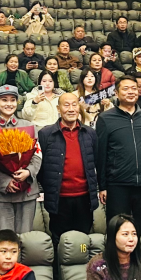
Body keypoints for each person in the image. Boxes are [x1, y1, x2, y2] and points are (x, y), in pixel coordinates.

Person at [95, 76, 141, 234]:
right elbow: (101, 155)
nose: (131, 92)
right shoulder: (105, 119)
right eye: (126, 88)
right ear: (116, 93)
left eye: (134, 88)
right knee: (117, 230)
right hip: (118, 184)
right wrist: (102, 186)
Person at [39, 92, 98, 245]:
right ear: (58, 109)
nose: (71, 109)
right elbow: (40, 167)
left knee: (83, 240)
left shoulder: (90, 133)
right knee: (60, 241)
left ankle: (82, 261)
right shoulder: (45, 134)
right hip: (59, 198)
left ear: (79, 107)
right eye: (66, 105)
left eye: (74, 104)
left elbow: (96, 162)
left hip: (84, 197)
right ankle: (59, 262)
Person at [0, 85, 42, 233]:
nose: (9, 104)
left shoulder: (29, 126)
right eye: (4, 100)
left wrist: (28, 172)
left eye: (12, 100)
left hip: (26, 191)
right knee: (3, 238)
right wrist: (5, 181)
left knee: (25, 237)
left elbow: (37, 154)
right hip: (0, 193)